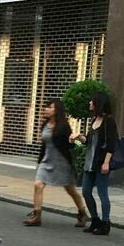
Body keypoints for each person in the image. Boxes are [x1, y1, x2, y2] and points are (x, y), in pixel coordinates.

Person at [23, 99, 88, 228]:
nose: (46, 109)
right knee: (38, 185)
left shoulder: (63, 126)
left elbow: (70, 143)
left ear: (56, 110)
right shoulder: (45, 125)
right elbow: (44, 145)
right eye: (46, 107)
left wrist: (74, 139)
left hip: (62, 162)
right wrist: (40, 160)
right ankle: (37, 215)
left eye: (49, 107)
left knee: (71, 190)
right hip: (47, 160)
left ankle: (82, 213)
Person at [70, 92, 118, 235]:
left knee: (103, 193)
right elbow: (88, 142)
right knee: (86, 191)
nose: (89, 103)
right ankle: (95, 220)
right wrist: (79, 137)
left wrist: (106, 163)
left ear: (98, 103)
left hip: (101, 163)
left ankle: (105, 222)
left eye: (92, 101)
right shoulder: (94, 120)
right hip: (89, 163)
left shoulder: (109, 121)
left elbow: (112, 144)